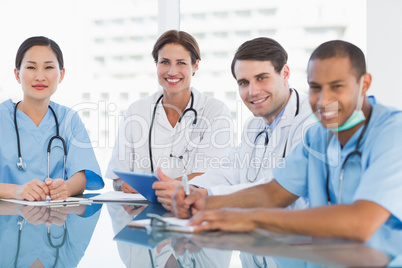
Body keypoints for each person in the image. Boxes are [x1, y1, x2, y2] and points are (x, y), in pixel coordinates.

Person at [171, 40, 402, 242]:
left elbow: (360, 223)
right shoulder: (318, 136)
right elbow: (273, 193)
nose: (324, 100)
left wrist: (250, 218)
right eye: (315, 88)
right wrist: (203, 201)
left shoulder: (392, 133)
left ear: (364, 84)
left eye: (337, 87)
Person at [154, 37, 312, 210]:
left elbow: (278, 190)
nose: (253, 92)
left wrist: (204, 196)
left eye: (261, 78)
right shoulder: (254, 126)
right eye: (244, 83)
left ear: (285, 74)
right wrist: (190, 188)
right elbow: (230, 173)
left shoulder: (310, 122)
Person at [106, 30, 233, 193]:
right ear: (156, 65)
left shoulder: (215, 111)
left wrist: (152, 187)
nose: (172, 71)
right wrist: (123, 184)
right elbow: (118, 177)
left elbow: (213, 176)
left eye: (181, 63)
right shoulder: (136, 111)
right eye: (165, 62)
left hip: (192, 207)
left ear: (195, 65)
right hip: (140, 210)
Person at [0, 36, 104, 201]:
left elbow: (82, 174)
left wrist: (65, 188)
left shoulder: (69, 119)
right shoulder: (2, 117)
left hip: (55, 221)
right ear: (17, 74)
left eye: (48, 67)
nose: (40, 76)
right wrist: (17, 191)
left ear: (61, 74)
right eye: (31, 67)